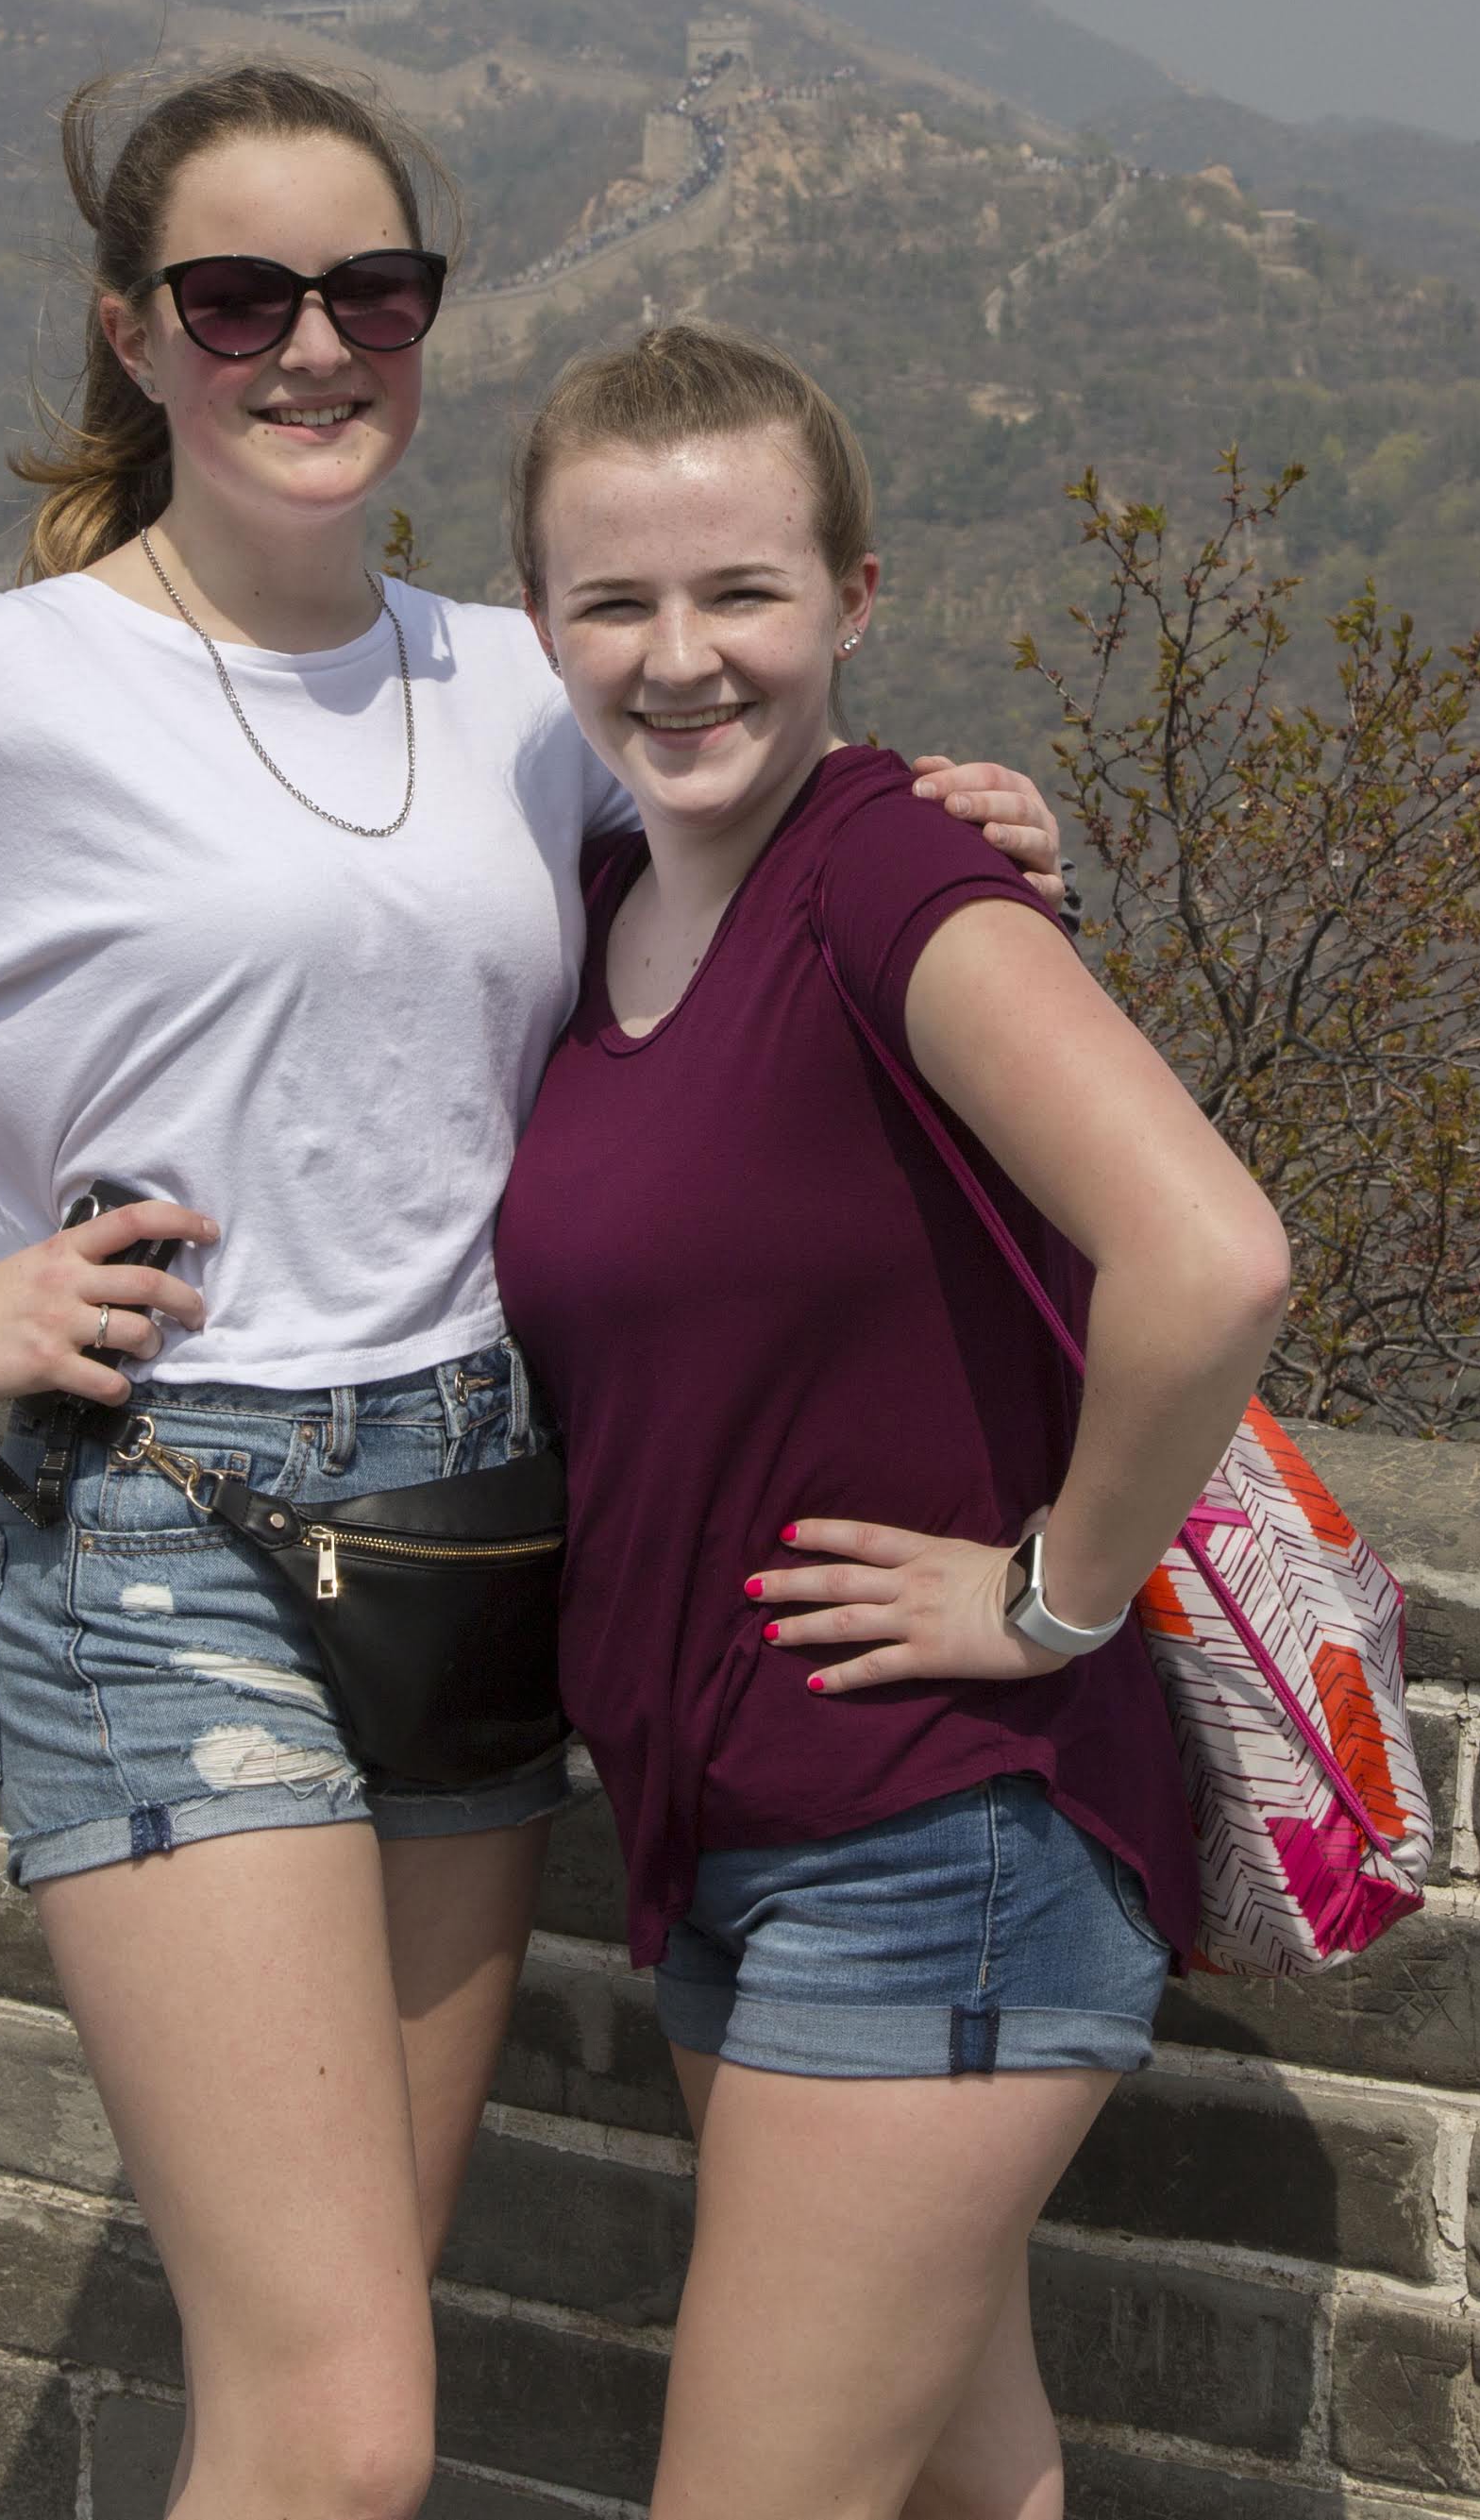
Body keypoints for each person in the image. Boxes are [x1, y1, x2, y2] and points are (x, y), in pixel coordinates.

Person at [0, 65, 1065, 2520]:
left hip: (479, 1547)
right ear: (137, 333)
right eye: (239, 297)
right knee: (338, 2440)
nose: (310, 345)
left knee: (332, 2381)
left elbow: (773, 867)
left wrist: (979, 827)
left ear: (428, 320)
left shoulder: (520, 683)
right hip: (169, 1538)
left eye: (370, 293)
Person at [491, 325, 1291, 2520]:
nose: (680, 659)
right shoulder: (603, 907)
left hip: (936, 1838)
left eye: (741, 591)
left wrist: (1054, 1594)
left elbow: (1208, 1255)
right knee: (968, 2489)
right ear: (536, 625)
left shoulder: (887, 880)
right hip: (737, 1827)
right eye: (614, 603)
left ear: (854, 596)